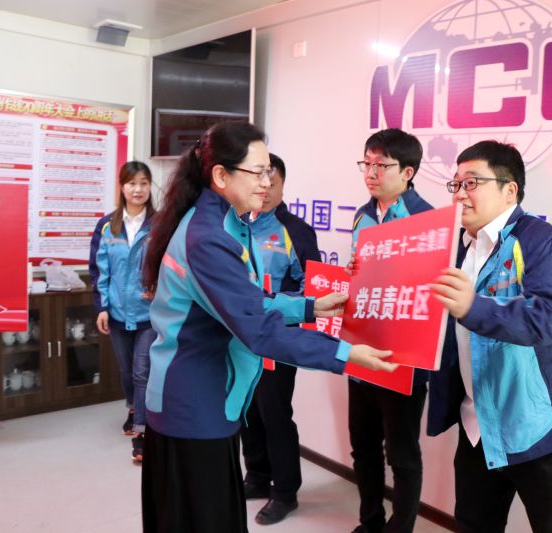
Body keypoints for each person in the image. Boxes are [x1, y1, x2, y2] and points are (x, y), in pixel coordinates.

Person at [140, 121, 397, 533]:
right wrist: (346, 354)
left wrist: (309, 307)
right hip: (193, 403)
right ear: (221, 175)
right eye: (258, 172)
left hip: (203, 398)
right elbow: (258, 329)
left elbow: (244, 300)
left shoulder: (222, 221)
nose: (267, 181)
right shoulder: (210, 237)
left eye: (270, 172)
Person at [428, 140, 552, 533]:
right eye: (455, 184)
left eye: (472, 182)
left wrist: (473, 306)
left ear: (509, 190)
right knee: (473, 524)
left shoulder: (540, 241)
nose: (459, 194)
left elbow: (546, 321)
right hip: (478, 424)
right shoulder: (453, 247)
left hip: (539, 424)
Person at [348, 128, 432, 533]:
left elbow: (433, 289)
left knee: (402, 455)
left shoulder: (428, 221)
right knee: (363, 448)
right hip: (361, 348)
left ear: (408, 172)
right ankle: (370, 522)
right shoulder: (362, 215)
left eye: (381, 165)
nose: (371, 173)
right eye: (366, 163)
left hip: (404, 358)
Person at [239, 153, 321, 525]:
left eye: (272, 182)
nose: (265, 188)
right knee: (247, 411)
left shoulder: (296, 230)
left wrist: (274, 306)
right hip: (240, 337)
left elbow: (313, 289)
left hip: (278, 338)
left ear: (283, 185)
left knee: (275, 414)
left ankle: (285, 491)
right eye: (259, 180)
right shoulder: (238, 224)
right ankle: (257, 476)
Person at [89, 160, 157, 463]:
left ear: (150, 187)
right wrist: (102, 307)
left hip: (149, 313)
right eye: (132, 183)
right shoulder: (107, 226)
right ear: (122, 187)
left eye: (144, 183)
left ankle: (142, 433)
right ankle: (133, 408)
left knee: (142, 371)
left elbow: (171, 264)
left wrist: (159, 286)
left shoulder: (161, 224)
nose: (138, 189)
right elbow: (98, 271)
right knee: (126, 371)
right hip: (117, 311)